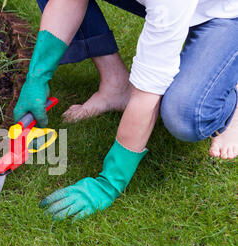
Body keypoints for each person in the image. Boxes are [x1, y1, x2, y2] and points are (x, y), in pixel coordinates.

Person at [13, 0, 238, 221]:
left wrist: (110, 182)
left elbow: (148, 92)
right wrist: (37, 76)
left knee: (186, 117)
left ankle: (232, 93)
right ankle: (115, 86)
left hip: (223, 12)